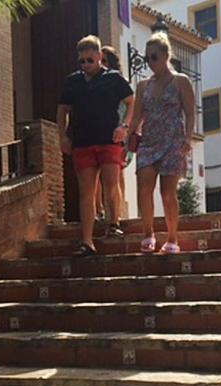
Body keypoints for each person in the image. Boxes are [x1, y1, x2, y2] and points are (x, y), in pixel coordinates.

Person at [57, 35, 134, 256]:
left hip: (109, 140)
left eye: (90, 60)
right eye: (82, 61)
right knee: (86, 193)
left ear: (100, 56)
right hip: (82, 142)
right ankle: (87, 241)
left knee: (111, 185)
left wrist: (124, 127)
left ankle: (114, 223)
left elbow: (131, 101)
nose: (86, 65)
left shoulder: (113, 78)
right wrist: (62, 136)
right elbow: (62, 110)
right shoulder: (72, 81)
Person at [126, 33, 195, 254]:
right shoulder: (142, 86)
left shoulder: (181, 81)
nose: (150, 62)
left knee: (168, 193)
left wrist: (188, 138)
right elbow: (137, 116)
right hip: (148, 142)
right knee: (144, 189)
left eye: (154, 57)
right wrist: (128, 136)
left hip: (173, 142)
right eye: (147, 59)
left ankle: (172, 237)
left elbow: (191, 113)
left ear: (166, 55)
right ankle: (148, 234)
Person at [97, 45, 130, 222]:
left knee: (118, 174)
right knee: (98, 174)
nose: (101, 64)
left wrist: (125, 129)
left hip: (118, 133)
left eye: (104, 61)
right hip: (101, 132)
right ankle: (100, 210)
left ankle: (118, 212)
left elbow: (130, 107)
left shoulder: (119, 82)